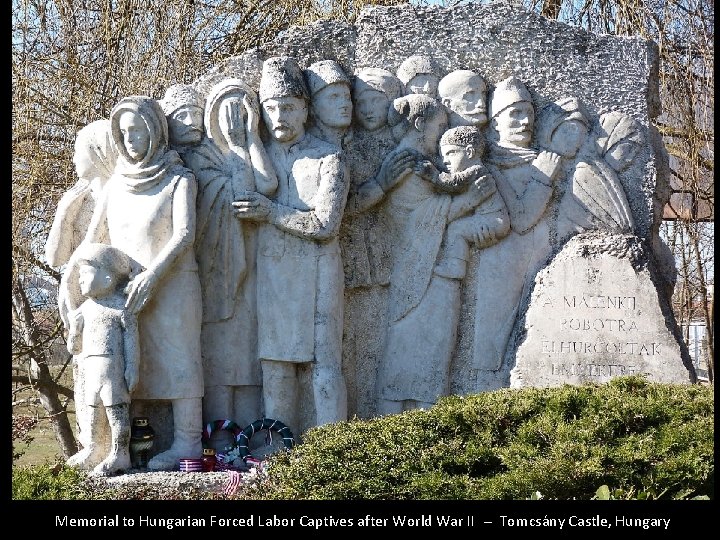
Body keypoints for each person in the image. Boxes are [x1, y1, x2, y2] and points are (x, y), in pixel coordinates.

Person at [81, 95, 204, 470]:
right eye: (124, 132)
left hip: (173, 284)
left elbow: (184, 235)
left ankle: (187, 442)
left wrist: (152, 275)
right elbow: (92, 239)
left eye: (137, 130)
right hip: (123, 295)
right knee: (126, 369)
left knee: (180, 360)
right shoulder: (116, 185)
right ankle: (117, 447)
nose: (131, 138)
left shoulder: (179, 179)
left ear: (154, 130)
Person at [232, 56, 349, 432]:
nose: (279, 117)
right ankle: (278, 449)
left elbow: (325, 224)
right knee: (276, 365)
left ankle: (333, 449)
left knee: (323, 365)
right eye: (271, 109)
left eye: (288, 107)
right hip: (273, 275)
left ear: (304, 110)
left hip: (317, 273)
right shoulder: (258, 156)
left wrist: (270, 213)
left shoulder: (328, 157)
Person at [192, 78, 278, 444]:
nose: (233, 117)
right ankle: (220, 443)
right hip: (216, 270)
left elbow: (267, 184)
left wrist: (247, 140)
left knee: (246, 359)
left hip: (252, 267)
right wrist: (236, 148)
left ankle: (251, 440)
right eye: (226, 108)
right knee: (218, 360)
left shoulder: (249, 146)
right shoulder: (203, 157)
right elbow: (236, 195)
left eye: (242, 109)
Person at [472, 77, 562, 373]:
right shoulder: (491, 165)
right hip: (502, 268)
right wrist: (543, 178)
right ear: (495, 121)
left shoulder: (539, 158)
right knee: (492, 351)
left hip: (541, 262)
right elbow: (521, 219)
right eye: (515, 113)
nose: (525, 121)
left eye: (529, 113)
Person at [45, 119, 116, 464]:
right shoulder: (78, 196)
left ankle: (112, 445)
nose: (74, 159)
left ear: (97, 151)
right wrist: (63, 214)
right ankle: (92, 443)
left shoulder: (119, 192)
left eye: (78, 151)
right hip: (76, 302)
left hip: (107, 299)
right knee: (84, 372)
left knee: (108, 374)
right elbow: (55, 257)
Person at [65, 243, 138, 476]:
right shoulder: (84, 310)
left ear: (107, 278)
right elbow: (74, 348)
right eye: (78, 275)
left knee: (116, 411)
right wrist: (74, 332)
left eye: (85, 273)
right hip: (91, 368)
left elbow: (131, 339)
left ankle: (120, 452)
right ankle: (95, 447)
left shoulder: (121, 308)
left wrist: (132, 367)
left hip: (112, 369)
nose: (79, 279)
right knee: (93, 410)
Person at [434, 126, 511, 280]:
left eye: (451, 153)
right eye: (443, 155)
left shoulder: (476, 171)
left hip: (493, 222)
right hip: (493, 220)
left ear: (469, 152)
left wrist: (432, 176)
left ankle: (456, 267)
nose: (445, 160)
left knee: (456, 229)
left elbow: (453, 182)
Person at [305, 60, 353, 149]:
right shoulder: (307, 150)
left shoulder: (360, 146)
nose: (344, 104)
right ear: (312, 107)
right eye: (334, 97)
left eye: (347, 97)